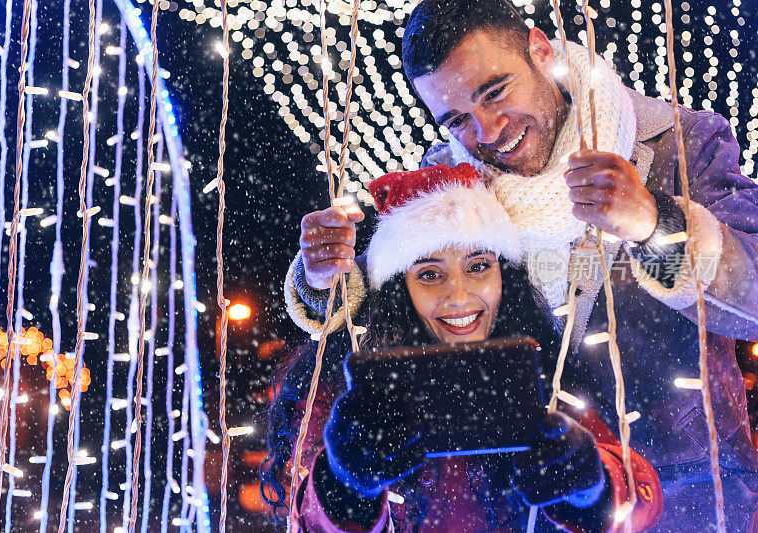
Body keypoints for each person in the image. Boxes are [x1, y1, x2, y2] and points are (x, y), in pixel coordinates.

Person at [283, 0, 758, 528]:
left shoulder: (679, 145)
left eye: (495, 91)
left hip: (686, 496)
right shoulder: (447, 179)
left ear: (539, 49)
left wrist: (654, 224)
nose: (487, 132)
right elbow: (395, 298)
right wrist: (322, 273)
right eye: (457, 119)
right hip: (516, 503)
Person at [265, 164, 663, 532]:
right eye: (430, 274)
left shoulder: (539, 368)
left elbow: (638, 495)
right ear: (400, 290)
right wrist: (344, 484)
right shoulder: (347, 384)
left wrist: (591, 486)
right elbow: (301, 513)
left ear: (504, 274)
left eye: (477, 267)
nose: (459, 297)